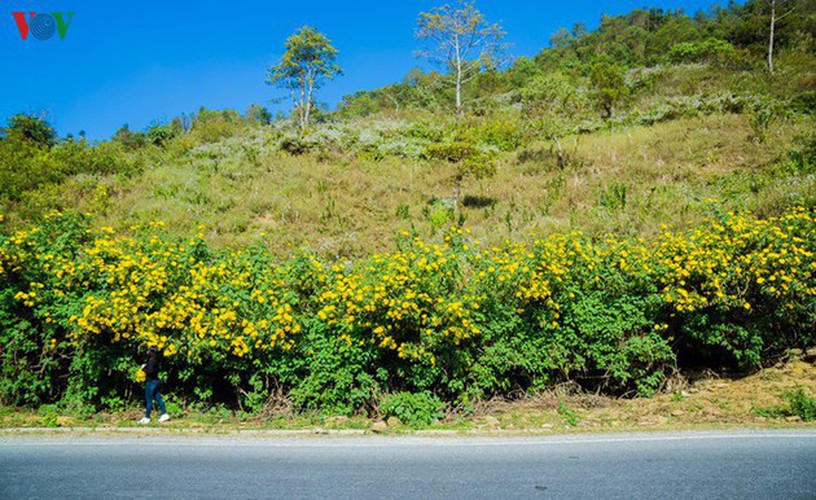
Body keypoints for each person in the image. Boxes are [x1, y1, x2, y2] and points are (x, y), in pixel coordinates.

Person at [139, 346, 170, 424]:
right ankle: (164, 413)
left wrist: (143, 368)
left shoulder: (151, 361)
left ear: (152, 353)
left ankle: (147, 417)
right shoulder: (156, 360)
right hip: (156, 381)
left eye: (149, 351)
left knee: (148, 400)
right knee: (158, 397)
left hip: (151, 382)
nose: (147, 352)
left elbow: (150, 372)